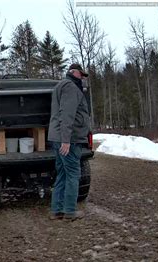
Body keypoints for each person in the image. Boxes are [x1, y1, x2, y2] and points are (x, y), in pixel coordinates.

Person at [47, 63, 90, 221]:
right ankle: (70, 211)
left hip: (58, 138)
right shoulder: (70, 87)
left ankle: (57, 210)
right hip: (69, 140)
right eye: (81, 74)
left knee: (63, 174)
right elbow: (67, 114)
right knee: (73, 174)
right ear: (73, 72)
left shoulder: (60, 86)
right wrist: (66, 140)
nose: (83, 77)